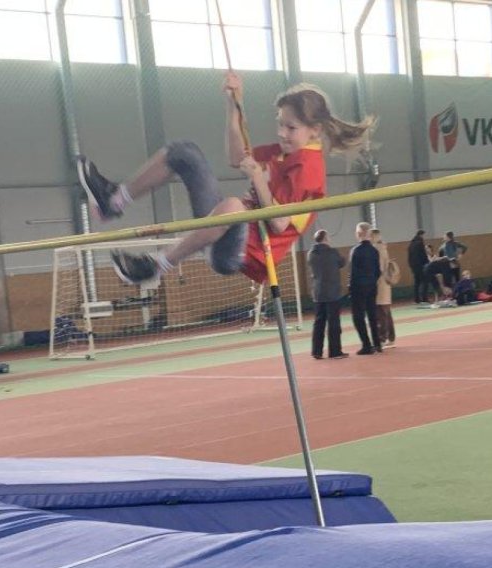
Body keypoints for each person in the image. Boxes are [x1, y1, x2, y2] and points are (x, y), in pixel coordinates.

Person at [77, 71, 373, 289]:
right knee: (185, 153)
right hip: (224, 226)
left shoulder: (310, 170)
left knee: (233, 206)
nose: (282, 133)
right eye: (280, 124)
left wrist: (258, 179)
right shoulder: (283, 152)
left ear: (315, 130)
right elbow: (236, 157)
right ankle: (114, 200)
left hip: (243, 252)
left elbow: (280, 224)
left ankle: (156, 265)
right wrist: (233, 104)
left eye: (291, 128)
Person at [307, 229, 348, 360]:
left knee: (319, 322)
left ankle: (316, 351)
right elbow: (342, 262)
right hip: (332, 292)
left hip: (318, 292)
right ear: (325, 238)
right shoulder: (332, 252)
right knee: (334, 323)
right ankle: (335, 351)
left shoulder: (311, 254)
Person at [348, 221, 383, 355]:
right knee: (372, 315)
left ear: (358, 233)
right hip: (372, 285)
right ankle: (377, 343)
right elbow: (378, 271)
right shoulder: (374, 250)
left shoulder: (355, 251)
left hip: (358, 287)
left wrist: (351, 287)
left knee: (358, 317)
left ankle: (366, 345)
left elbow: (353, 272)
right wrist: (372, 281)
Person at [372, 228, 400, 347]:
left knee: (381, 313)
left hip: (380, 283)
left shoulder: (377, 249)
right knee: (386, 312)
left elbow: (379, 268)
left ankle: (382, 338)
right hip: (385, 283)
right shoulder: (383, 248)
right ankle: (390, 337)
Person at [408, 229, 433, 303]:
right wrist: (427, 263)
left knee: (417, 282)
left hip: (413, 266)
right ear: (421, 235)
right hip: (420, 265)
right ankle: (424, 298)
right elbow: (423, 254)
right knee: (425, 281)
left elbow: (409, 256)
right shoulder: (420, 243)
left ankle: (417, 299)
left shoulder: (411, 244)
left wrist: (411, 265)